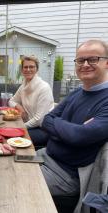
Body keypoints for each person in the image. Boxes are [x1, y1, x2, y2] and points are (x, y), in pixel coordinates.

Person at [37, 39, 108, 198]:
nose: (85, 64)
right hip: (46, 155)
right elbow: (45, 120)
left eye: (93, 59)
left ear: (107, 63)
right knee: (4, 163)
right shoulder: (77, 92)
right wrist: (71, 129)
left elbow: (79, 136)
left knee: (13, 181)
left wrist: (61, 127)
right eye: (80, 60)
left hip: (66, 175)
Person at [8, 56, 54, 147]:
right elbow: (11, 101)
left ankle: (23, 160)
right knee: (7, 132)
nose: (28, 69)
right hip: (30, 126)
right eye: (25, 67)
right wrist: (20, 108)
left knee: (12, 137)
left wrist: (21, 127)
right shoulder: (24, 86)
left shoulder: (44, 88)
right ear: (22, 70)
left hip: (43, 129)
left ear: (37, 69)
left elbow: (38, 120)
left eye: (31, 67)